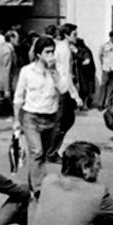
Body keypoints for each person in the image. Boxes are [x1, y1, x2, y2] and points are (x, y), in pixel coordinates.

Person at [13, 36, 69, 193]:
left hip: (50, 116)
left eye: (53, 52)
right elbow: (18, 97)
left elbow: (64, 90)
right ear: (38, 54)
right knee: (36, 152)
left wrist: (54, 72)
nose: (51, 55)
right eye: (47, 52)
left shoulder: (57, 70)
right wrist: (17, 120)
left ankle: (34, 183)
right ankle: (39, 189)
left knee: (41, 154)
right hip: (31, 116)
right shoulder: (27, 71)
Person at [48, 23, 84, 162]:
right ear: (67, 35)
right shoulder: (64, 50)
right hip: (62, 89)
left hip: (60, 87)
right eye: (74, 34)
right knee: (62, 121)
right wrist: (76, 96)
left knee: (67, 120)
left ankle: (51, 149)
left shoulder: (62, 47)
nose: (76, 36)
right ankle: (51, 152)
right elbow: (65, 74)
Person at [97, 31, 113, 110]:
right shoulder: (104, 46)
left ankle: (109, 103)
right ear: (111, 37)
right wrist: (103, 65)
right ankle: (100, 103)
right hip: (106, 68)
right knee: (104, 85)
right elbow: (100, 56)